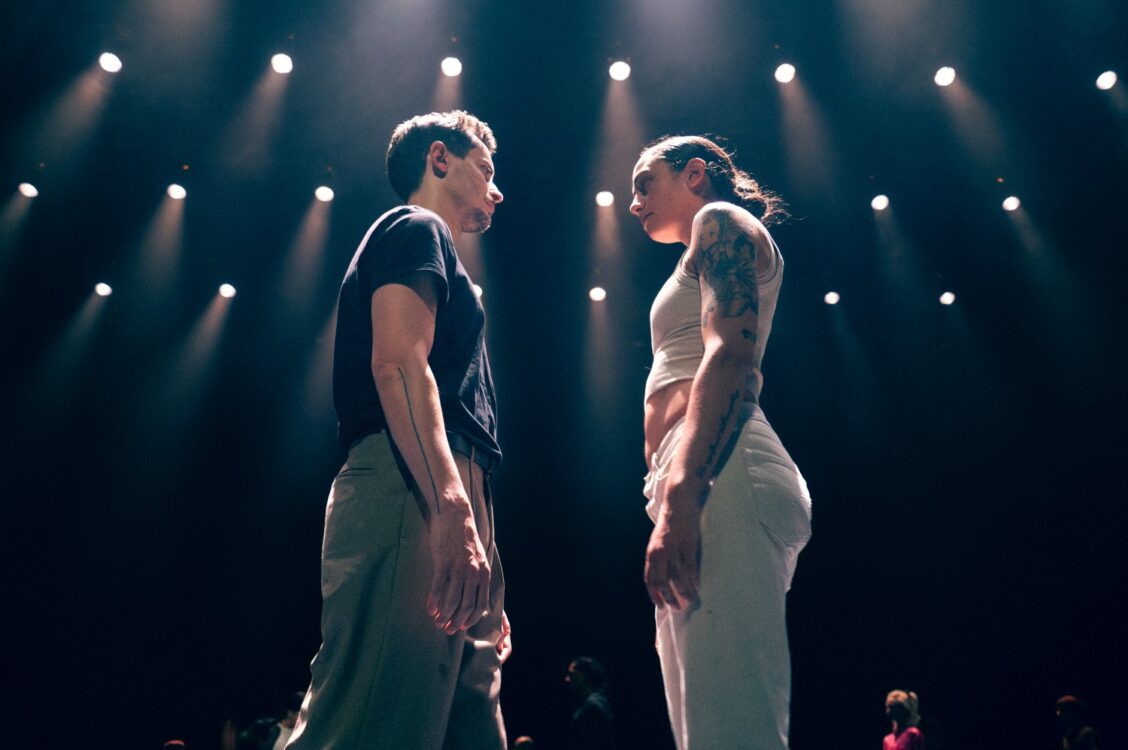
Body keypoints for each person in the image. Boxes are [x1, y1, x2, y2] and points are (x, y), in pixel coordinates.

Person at [287, 110, 511, 750]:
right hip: (409, 486)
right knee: (370, 726)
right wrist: (449, 505)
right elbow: (397, 364)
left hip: (455, 491)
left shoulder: (451, 267)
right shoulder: (413, 227)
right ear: (440, 159)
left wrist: (489, 567)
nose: (497, 190)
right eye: (486, 170)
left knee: (467, 730)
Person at [630, 135, 813, 750]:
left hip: (717, 471)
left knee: (733, 730)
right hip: (699, 474)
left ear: (696, 174)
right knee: (707, 732)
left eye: (644, 182)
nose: (634, 204)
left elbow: (733, 355)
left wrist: (683, 492)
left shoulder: (719, 220)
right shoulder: (698, 246)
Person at [564, 657, 616, 750]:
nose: (567, 679)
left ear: (583, 676)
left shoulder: (593, 707)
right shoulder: (595, 702)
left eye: (571, 674)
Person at [238, 691, 305, 750]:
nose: (305, 718)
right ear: (290, 713)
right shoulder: (266, 728)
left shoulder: (300, 735)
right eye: (302, 713)